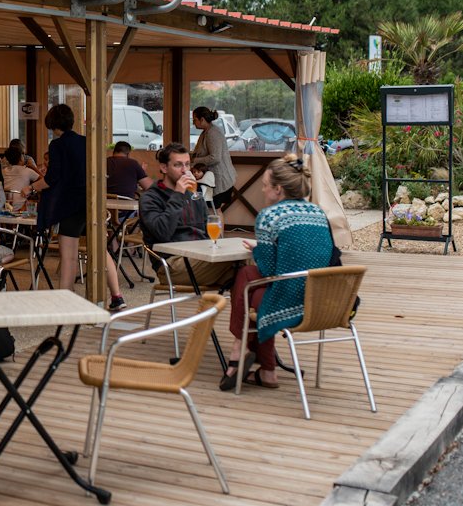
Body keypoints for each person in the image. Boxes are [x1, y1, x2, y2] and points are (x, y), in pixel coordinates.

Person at [223, 154, 335, 390]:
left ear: (278, 189)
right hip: (322, 300)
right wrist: (269, 247)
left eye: (264, 186)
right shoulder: (318, 213)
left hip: (291, 300)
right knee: (250, 283)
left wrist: (262, 249)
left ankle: (241, 346)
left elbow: (270, 270)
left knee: (250, 288)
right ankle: (266, 372)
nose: (262, 191)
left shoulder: (269, 216)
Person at [32, 104, 127, 312]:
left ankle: (65, 300)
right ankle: (117, 295)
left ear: (53, 125)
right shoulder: (86, 142)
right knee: (100, 250)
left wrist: (31, 187)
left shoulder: (57, 145)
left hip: (70, 205)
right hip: (92, 203)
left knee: (69, 255)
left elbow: (52, 178)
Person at [138, 142, 236, 292]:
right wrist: (178, 194)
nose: (185, 171)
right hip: (172, 264)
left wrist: (216, 248)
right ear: (164, 168)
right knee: (238, 261)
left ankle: (249, 315)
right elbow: (162, 232)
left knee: (247, 271)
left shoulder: (193, 194)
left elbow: (206, 226)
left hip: (201, 256)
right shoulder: (150, 198)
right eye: (178, 165)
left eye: (187, 165)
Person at [190, 106, 237, 211]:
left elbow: (215, 158)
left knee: (214, 211)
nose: (194, 123)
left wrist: (194, 161)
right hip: (214, 179)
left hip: (220, 180)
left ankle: (217, 228)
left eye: (195, 120)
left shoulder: (212, 133)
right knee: (213, 210)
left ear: (202, 119)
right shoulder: (207, 131)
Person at [1, 146, 39, 210]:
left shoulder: (3, 171)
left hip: (5, 205)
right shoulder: (27, 170)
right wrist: (33, 167)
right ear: (21, 158)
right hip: (21, 207)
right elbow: (44, 180)